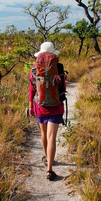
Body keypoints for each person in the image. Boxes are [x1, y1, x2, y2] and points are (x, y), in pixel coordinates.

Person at [29, 42, 65, 181]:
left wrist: (31, 106)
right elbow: (62, 89)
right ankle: (50, 169)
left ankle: (47, 158)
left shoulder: (34, 69)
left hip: (40, 107)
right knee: (52, 138)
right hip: (56, 107)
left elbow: (32, 89)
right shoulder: (59, 68)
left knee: (44, 135)